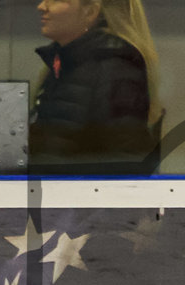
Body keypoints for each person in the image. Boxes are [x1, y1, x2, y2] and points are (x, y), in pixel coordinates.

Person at [29, 0, 162, 173]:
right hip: (59, 195)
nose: (42, 6)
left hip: (79, 197)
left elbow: (125, 162)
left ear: (90, 12)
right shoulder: (66, 63)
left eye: (58, 0)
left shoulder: (113, 68)